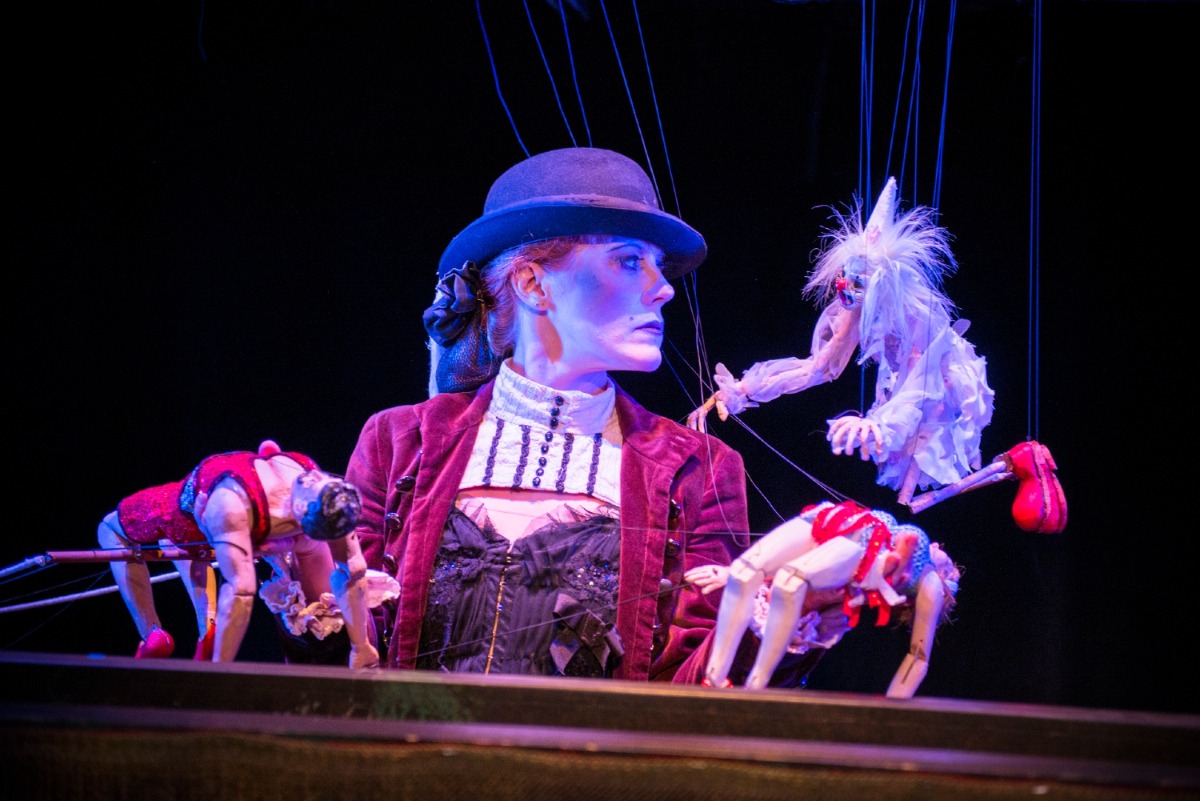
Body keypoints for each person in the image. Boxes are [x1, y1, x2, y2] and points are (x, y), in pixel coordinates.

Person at [344, 146, 755, 682]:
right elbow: (348, 654)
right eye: (630, 260)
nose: (663, 290)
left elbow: (692, 683)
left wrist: (781, 623)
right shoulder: (401, 441)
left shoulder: (699, 468)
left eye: (658, 266)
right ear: (534, 284)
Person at [688, 177, 995, 508]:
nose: (846, 290)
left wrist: (879, 425)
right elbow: (819, 366)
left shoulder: (914, 317)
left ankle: (921, 492)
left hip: (940, 381)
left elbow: (920, 382)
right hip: (909, 384)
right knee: (905, 460)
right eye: (847, 279)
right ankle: (909, 499)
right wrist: (741, 390)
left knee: (932, 436)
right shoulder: (856, 308)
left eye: (858, 282)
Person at [97, 439, 389, 668]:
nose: (314, 478)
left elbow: (353, 570)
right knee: (180, 544)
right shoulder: (316, 493)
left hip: (207, 509)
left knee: (111, 529)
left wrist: (361, 646)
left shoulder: (321, 498)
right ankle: (197, 628)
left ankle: (154, 633)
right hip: (209, 505)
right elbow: (240, 591)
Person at [686, 499, 961, 698]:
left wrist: (891, 710)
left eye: (949, 566)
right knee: (743, 571)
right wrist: (730, 574)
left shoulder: (930, 581)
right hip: (836, 520)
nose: (939, 546)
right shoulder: (901, 541)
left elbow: (918, 656)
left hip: (859, 550)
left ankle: (755, 686)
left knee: (789, 583)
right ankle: (714, 677)